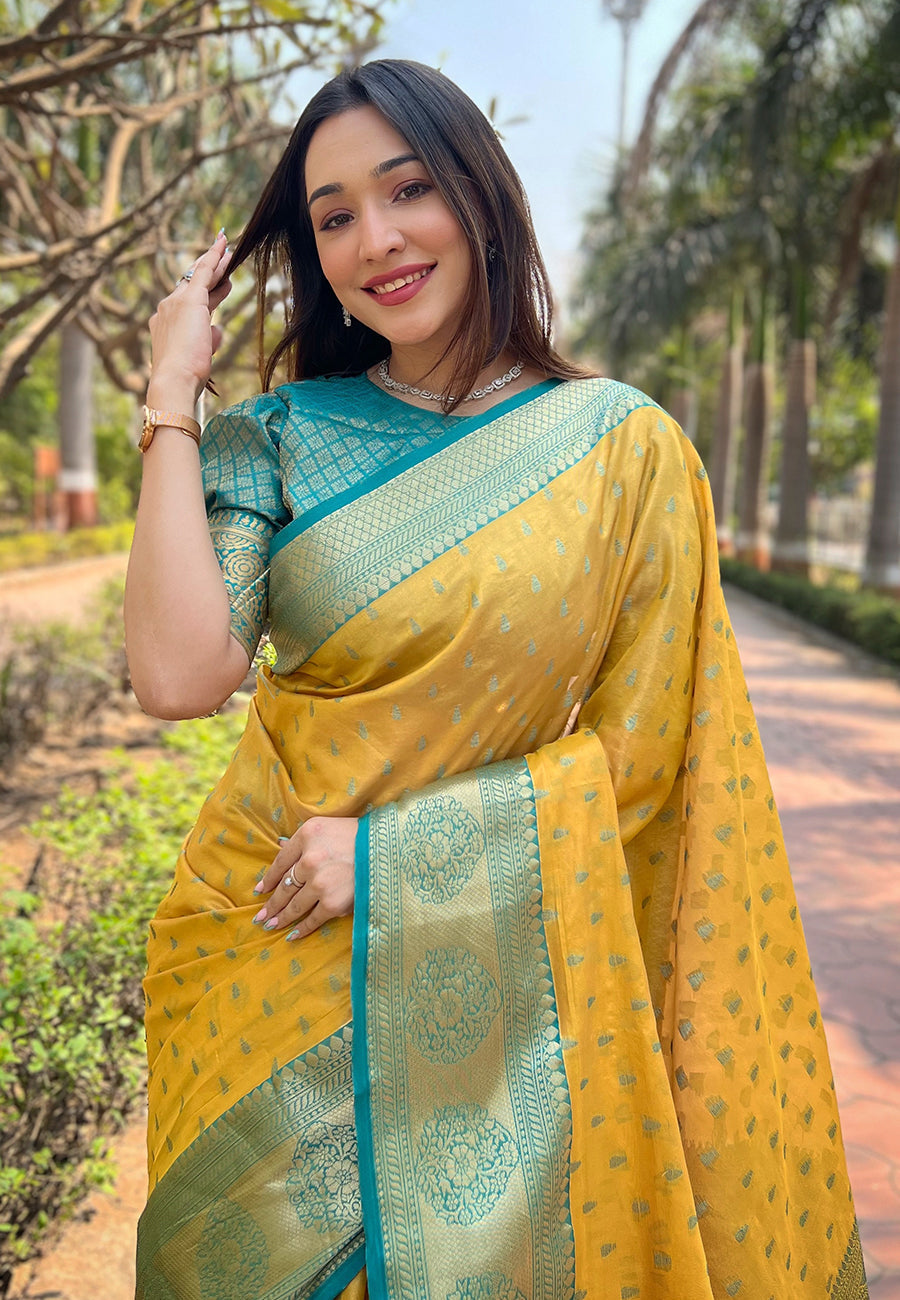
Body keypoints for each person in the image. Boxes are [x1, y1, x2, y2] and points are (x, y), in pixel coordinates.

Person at [126, 58, 868, 1300]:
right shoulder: (279, 435)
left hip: (489, 972)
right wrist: (171, 395)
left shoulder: (623, 449)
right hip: (265, 947)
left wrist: (392, 856)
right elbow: (177, 671)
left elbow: (650, 758)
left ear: (479, 195)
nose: (376, 239)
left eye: (407, 189)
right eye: (334, 216)